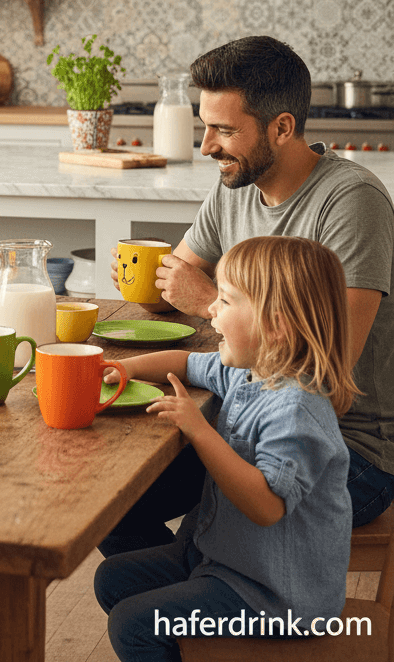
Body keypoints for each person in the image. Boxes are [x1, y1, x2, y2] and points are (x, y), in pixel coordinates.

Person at [102, 35, 394, 556]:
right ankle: (178, 607)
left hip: (343, 451)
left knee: (204, 529)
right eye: (205, 124)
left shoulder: (351, 202)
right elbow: (174, 283)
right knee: (110, 496)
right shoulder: (236, 185)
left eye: (224, 130)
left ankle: (202, 607)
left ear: (282, 127)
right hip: (245, 421)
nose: (207, 145)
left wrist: (211, 301)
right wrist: (141, 277)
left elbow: (331, 366)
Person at [95, 236, 357, 661]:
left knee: (134, 625)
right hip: (226, 558)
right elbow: (182, 363)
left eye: (227, 300)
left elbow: (266, 506)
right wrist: (120, 368)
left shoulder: (296, 410)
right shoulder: (253, 369)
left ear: (275, 325)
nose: (211, 308)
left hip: (274, 596)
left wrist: (200, 430)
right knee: (113, 580)